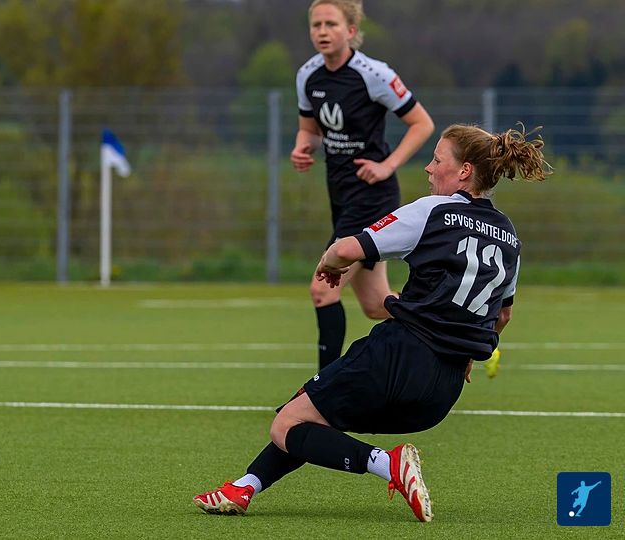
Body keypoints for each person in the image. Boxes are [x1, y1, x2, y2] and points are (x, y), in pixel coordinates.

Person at [194, 124, 551, 522]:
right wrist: (467, 357)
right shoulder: (510, 236)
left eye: (437, 160)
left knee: (287, 424)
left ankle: (388, 464)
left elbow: (346, 248)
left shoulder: (434, 211)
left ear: (464, 171)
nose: (429, 169)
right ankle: (244, 488)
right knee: (307, 415)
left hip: (398, 356)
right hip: (441, 394)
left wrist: (329, 264)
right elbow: (502, 315)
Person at [291, 0, 435, 370]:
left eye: (331, 24)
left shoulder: (373, 74)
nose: (322, 31)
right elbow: (310, 130)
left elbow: (422, 123)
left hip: (372, 198)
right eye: (316, 25)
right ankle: (452, 329)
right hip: (341, 196)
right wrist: (302, 147)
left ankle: (321, 388)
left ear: (351, 31)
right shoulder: (308, 75)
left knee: (322, 290)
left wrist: (388, 165)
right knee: (375, 305)